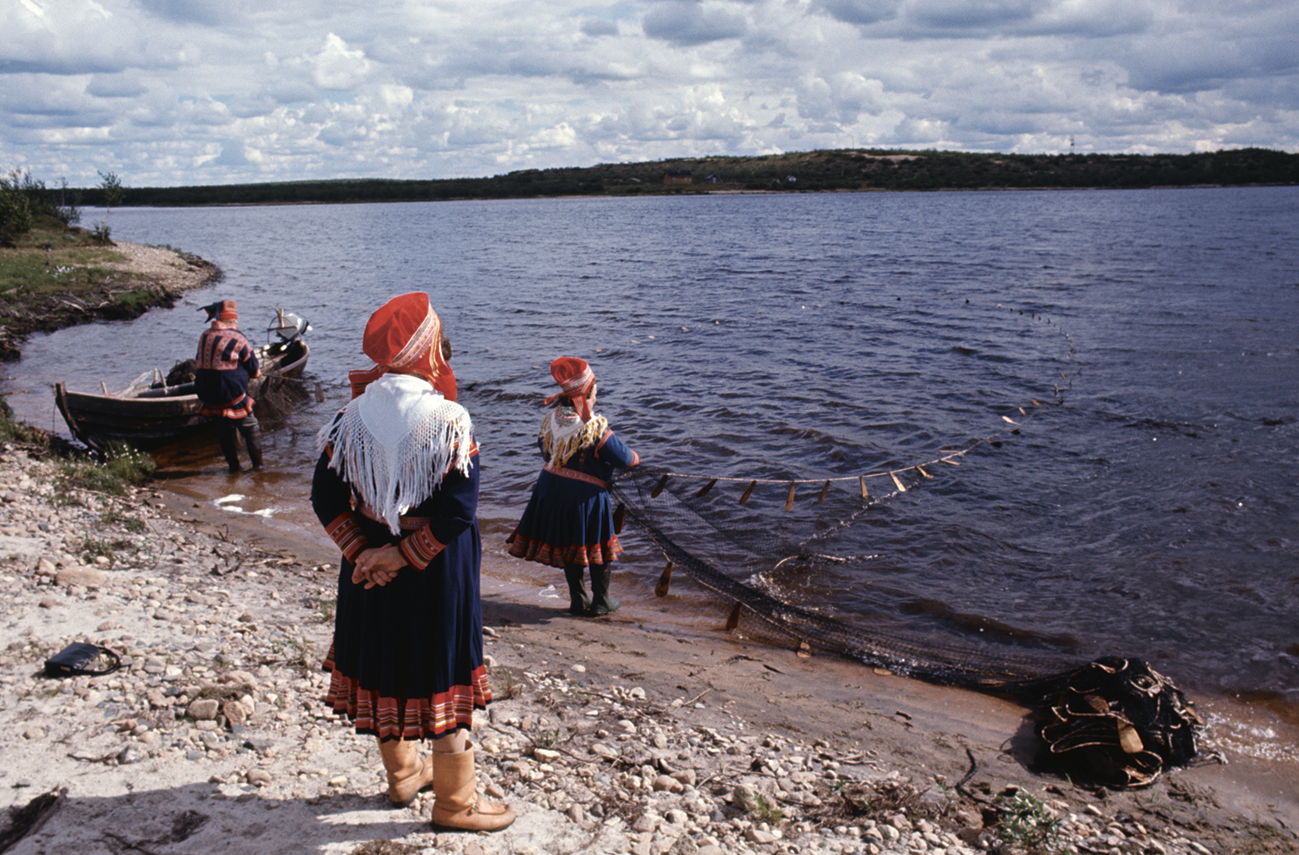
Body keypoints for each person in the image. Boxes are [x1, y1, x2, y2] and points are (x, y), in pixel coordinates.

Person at [311, 292, 513, 832]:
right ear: (430, 353)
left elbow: (325, 500)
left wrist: (366, 554)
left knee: (384, 657)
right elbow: (456, 513)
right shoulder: (449, 419)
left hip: (368, 571)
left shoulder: (348, 418)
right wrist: (401, 556)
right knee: (440, 663)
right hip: (436, 570)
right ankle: (455, 806)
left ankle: (403, 777)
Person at [507, 357, 640, 616]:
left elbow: (545, 453)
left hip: (550, 488)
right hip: (584, 496)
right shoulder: (594, 427)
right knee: (599, 545)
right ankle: (601, 601)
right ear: (587, 392)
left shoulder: (551, 421)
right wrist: (638, 457)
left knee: (572, 542)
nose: (597, 392)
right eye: (595, 388)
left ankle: (578, 600)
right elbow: (625, 460)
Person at [194, 300, 263, 472]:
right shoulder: (238, 337)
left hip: (206, 393)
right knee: (250, 426)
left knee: (223, 428)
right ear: (231, 321)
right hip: (230, 394)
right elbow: (254, 371)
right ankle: (258, 468)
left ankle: (234, 468)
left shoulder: (204, 335)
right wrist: (255, 374)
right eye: (236, 322)